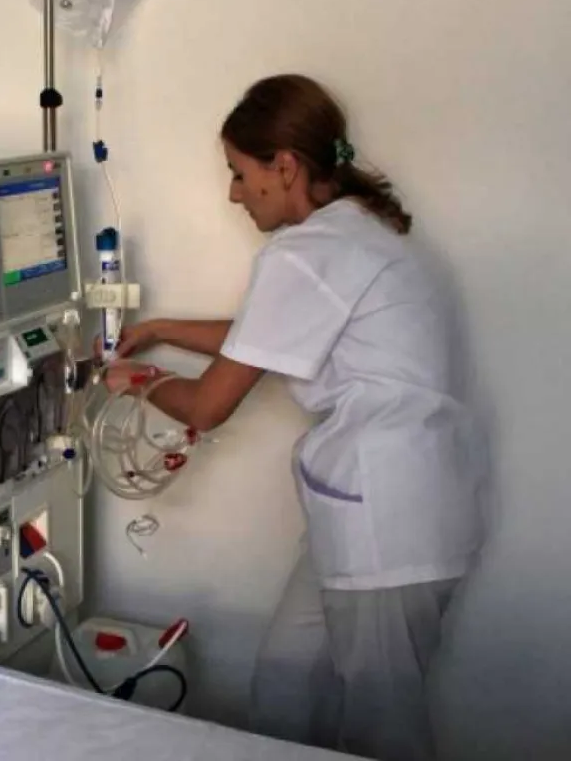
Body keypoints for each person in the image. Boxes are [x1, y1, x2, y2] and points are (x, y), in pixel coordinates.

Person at [103, 74, 483, 761]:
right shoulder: (354, 231)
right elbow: (266, 333)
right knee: (284, 680)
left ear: (285, 165)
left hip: (389, 524)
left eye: (239, 174)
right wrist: (160, 329)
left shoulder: (306, 254)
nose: (233, 194)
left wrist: (135, 385)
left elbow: (210, 405)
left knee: (382, 728)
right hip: (378, 509)